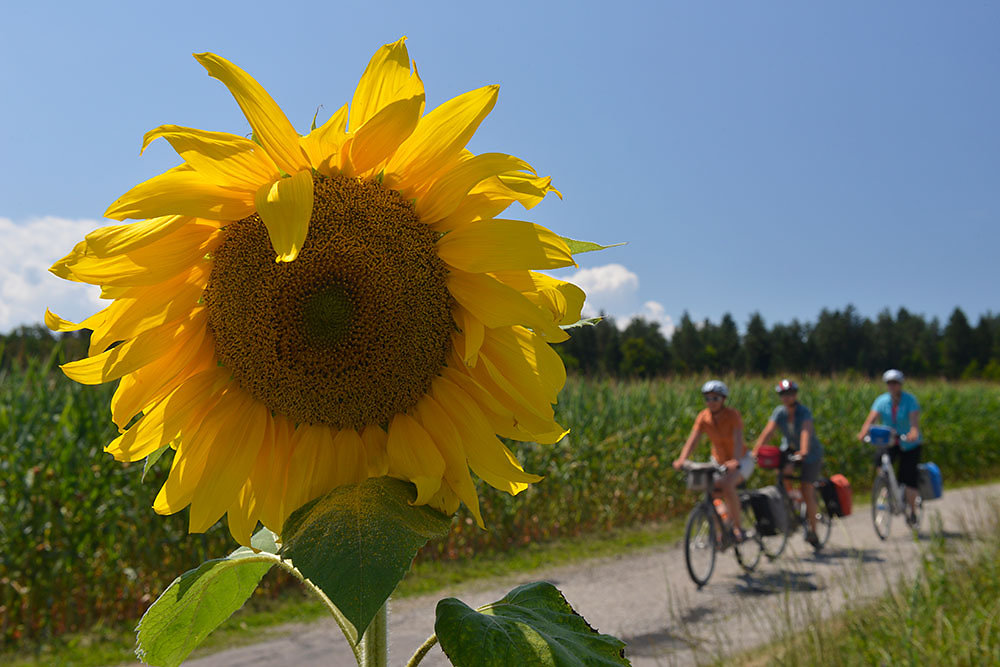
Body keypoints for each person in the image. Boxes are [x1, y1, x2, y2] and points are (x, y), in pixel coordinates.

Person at [673, 380, 754, 541]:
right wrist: (682, 459)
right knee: (710, 489)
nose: (711, 402)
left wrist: (735, 461)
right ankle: (723, 525)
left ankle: (738, 529)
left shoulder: (732, 415)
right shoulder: (703, 417)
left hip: (742, 460)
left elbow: (738, 439)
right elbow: (693, 440)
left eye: (715, 398)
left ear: (723, 399)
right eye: (708, 398)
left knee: (728, 485)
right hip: (718, 461)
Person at [752, 379, 825, 547]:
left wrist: (804, 451)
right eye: (783, 394)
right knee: (784, 477)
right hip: (790, 451)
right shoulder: (780, 412)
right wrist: (756, 451)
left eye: (790, 394)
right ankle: (793, 501)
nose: (787, 397)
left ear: (795, 395)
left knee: (807, 490)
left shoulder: (803, 412)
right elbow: (768, 432)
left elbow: (806, 431)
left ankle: (813, 531)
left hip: (810, 454)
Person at [857, 369, 922, 525]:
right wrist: (862, 433)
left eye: (895, 383)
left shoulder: (910, 400)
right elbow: (871, 419)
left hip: (908, 444)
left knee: (908, 478)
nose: (892, 386)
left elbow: (914, 422)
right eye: (889, 383)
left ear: (900, 384)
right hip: (889, 442)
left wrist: (913, 432)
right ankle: (885, 485)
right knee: (881, 463)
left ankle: (912, 511)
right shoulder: (881, 400)